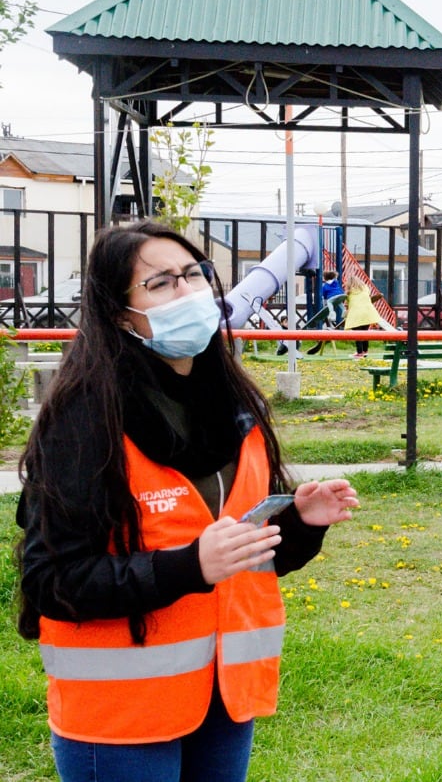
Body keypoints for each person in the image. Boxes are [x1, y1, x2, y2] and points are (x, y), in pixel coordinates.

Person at [15, 221, 360, 782]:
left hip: (225, 700)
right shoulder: (84, 419)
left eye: (194, 274)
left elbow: (247, 558)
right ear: (120, 313)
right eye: (161, 283)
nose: (190, 292)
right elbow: (52, 581)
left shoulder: (234, 405)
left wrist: (300, 524)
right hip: (122, 718)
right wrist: (189, 566)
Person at [306, 270, 347, 355]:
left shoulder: (325, 285)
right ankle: (344, 310)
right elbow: (336, 277)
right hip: (340, 295)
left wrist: (325, 303)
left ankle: (332, 313)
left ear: (325, 278)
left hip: (331, 297)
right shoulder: (336, 282)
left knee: (329, 303)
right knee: (340, 303)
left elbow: (324, 295)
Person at [343, 277, 383, 359]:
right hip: (368, 313)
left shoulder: (349, 292)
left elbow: (346, 304)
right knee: (365, 333)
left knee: (357, 334)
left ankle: (359, 353)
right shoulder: (366, 288)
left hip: (356, 314)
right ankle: (365, 351)